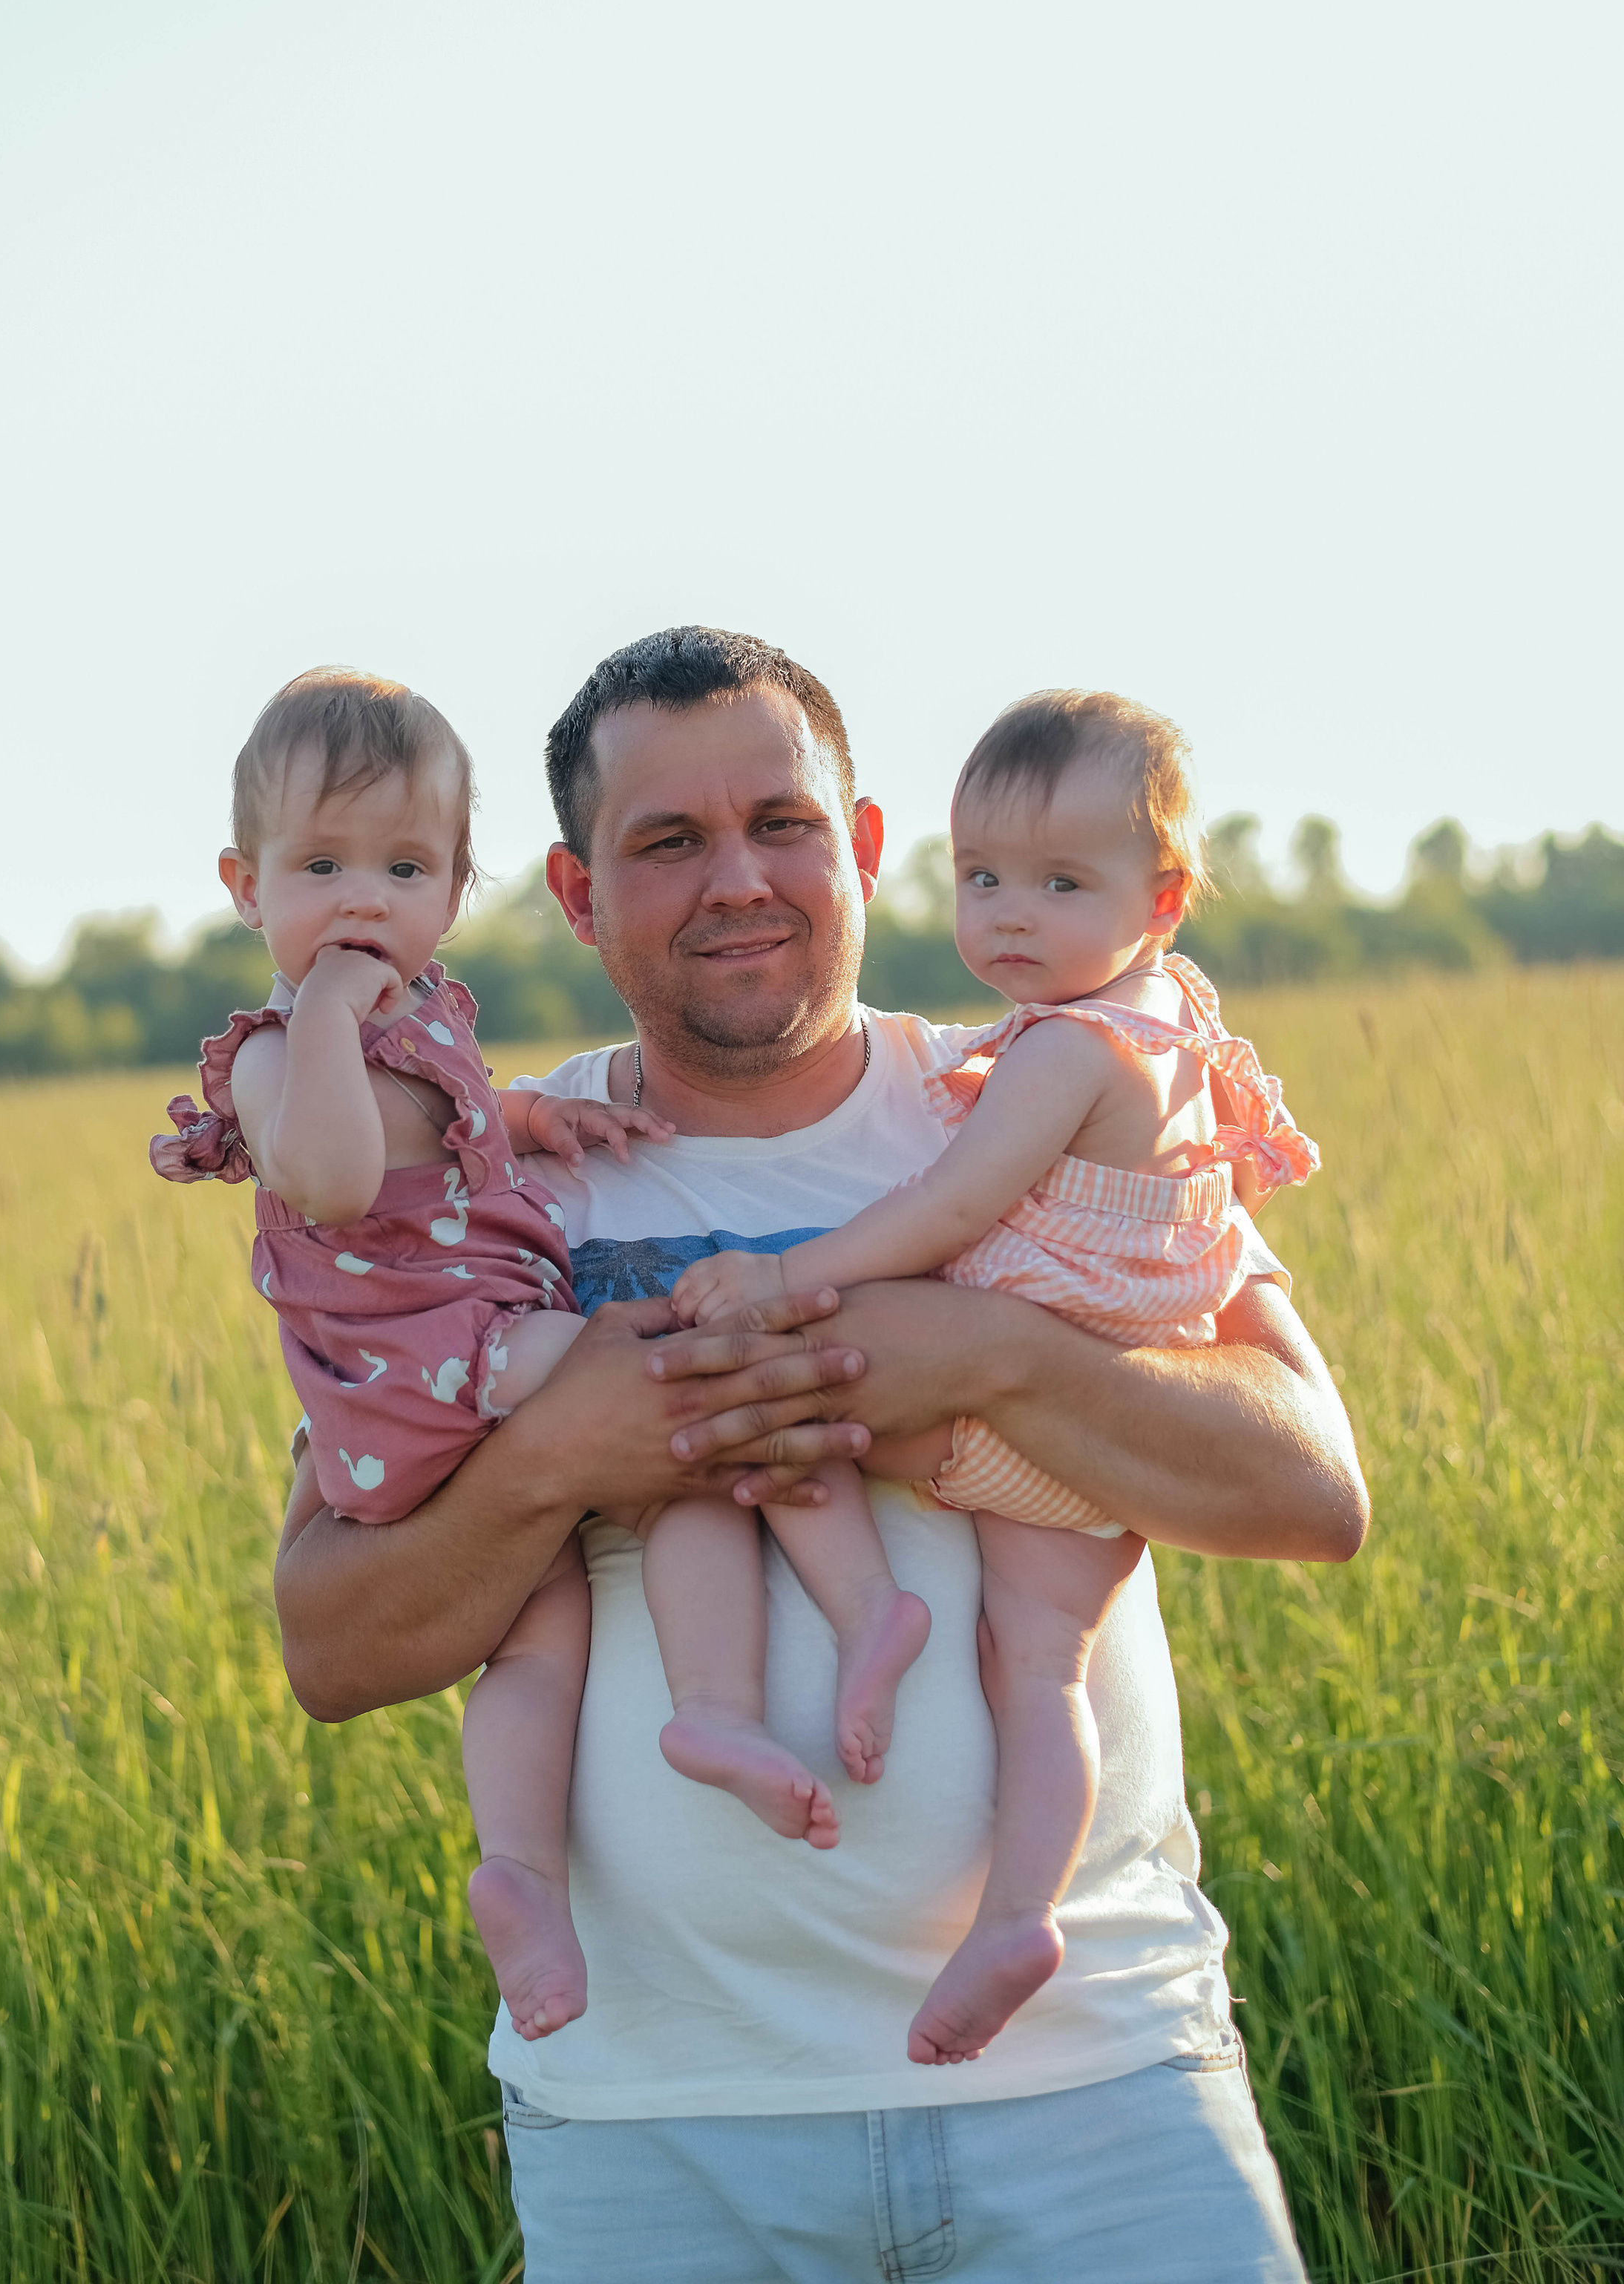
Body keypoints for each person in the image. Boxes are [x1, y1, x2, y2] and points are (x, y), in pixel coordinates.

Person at [274, 626, 1369, 2284]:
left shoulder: (1053, 1097)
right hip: (662, 2135)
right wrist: (558, 1455)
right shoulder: (493, 1182)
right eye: (666, 842)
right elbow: (335, 1644)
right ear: (576, 898)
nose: (738, 880)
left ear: (859, 848)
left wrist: (990, 1350)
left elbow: (1308, 1492)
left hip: (1098, 2097)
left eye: (780, 822)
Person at [670, 687, 1320, 2066]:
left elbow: (955, 1212)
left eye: (1059, 883)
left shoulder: (1064, 1054)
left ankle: (864, 1625)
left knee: (766, 1407)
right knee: (1040, 1672)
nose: (1010, 915)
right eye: (983, 880)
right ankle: (1018, 1913)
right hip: (1089, 1451)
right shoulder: (1165, 1033)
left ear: (1162, 897)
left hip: (1028, 1410)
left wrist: (794, 1279)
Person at [151, 666, 671, 2044]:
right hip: (438, 1365)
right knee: (648, 1362)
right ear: (244, 886)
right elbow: (328, 1178)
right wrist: (319, 1014)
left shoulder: (421, 1012)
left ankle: (523, 1876)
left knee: (544, 1629)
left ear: (454, 889)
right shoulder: (272, 1055)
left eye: (404, 865)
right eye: (320, 866)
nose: (364, 900)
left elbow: (425, 1123)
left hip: (454, 1366)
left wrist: (522, 1120)